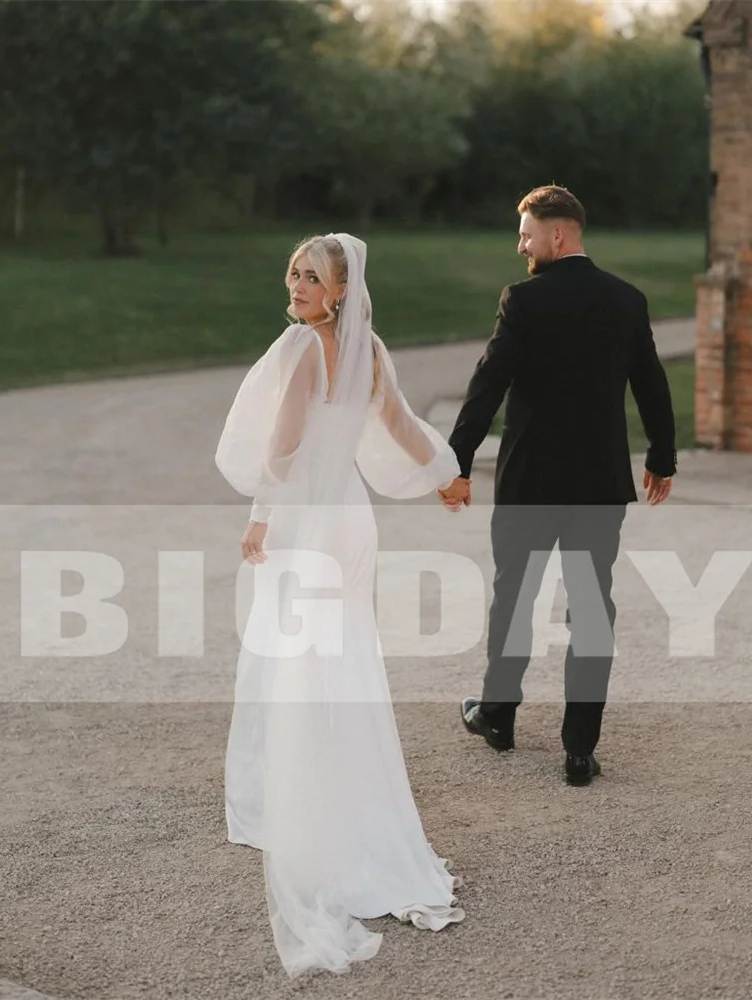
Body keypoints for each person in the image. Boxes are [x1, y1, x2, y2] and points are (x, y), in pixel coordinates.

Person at [215, 233, 465, 977]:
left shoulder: (300, 350)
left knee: (294, 660)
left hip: (305, 522)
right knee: (344, 659)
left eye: (311, 276)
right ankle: (354, 803)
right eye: (293, 270)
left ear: (339, 290)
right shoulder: (370, 351)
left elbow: (284, 446)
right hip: (351, 524)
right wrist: (445, 473)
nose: (296, 284)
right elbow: (398, 428)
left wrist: (260, 516)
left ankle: (303, 808)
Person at [437, 184, 677, 786]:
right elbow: (651, 382)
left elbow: (487, 383)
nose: (520, 243)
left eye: (526, 232)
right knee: (593, 610)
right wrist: (663, 457)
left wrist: (456, 462)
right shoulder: (627, 300)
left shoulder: (523, 300)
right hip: (598, 485)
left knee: (514, 599)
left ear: (557, 235)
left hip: (530, 483)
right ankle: (578, 750)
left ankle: (497, 717)